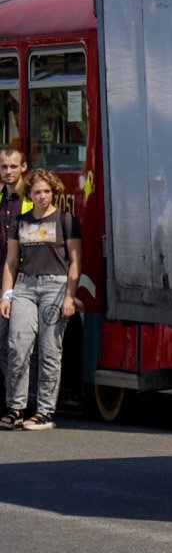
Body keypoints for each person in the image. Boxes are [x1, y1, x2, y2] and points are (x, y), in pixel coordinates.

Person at [0, 169, 81, 430]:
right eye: (37, 192)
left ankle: (45, 411)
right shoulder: (20, 222)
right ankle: (16, 407)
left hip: (55, 288)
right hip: (24, 286)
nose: (42, 196)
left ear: (54, 192)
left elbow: (75, 263)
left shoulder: (66, 220)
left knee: (49, 351)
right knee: (17, 345)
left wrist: (70, 296)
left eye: (47, 191)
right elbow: (11, 262)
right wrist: (7, 295)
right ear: (30, 195)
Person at [0, 146, 32, 408]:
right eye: (3, 167)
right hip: (4, 280)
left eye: (13, 166)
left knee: (18, 345)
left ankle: (18, 403)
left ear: (24, 167)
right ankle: (11, 400)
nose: (8, 172)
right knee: (3, 345)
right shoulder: (0, 199)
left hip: (27, 281)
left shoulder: (32, 200)